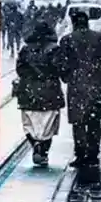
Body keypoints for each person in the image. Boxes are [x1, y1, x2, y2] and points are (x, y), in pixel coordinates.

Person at [59, 8, 101, 179]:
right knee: (94, 120)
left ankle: (80, 153)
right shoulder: (100, 38)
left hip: (76, 86)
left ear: (73, 23)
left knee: (78, 121)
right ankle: (93, 153)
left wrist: (68, 77)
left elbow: (62, 63)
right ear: (87, 22)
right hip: (97, 84)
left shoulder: (67, 40)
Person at [13, 20, 65, 167]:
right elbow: (60, 69)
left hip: (28, 92)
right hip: (50, 92)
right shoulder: (55, 49)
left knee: (29, 123)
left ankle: (35, 143)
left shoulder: (26, 49)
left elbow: (20, 69)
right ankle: (43, 150)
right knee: (49, 125)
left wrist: (31, 76)